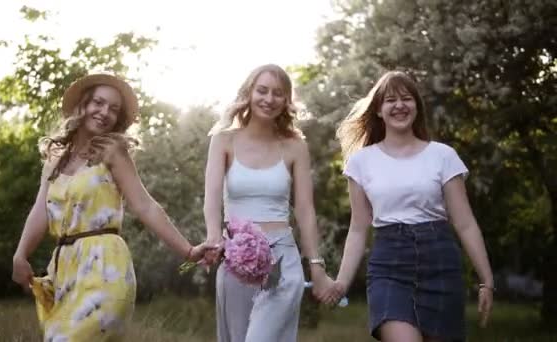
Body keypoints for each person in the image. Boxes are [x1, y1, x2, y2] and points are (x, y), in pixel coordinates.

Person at [11, 73, 211, 340]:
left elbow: (145, 206)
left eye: (113, 109)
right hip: (64, 271)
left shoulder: (112, 151)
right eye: (98, 102)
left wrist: (188, 250)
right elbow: (40, 211)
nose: (105, 112)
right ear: (82, 105)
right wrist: (20, 254)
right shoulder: (55, 159)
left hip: (106, 267)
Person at [329, 71, 494, 341]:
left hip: (440, 260)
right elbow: (358, 229)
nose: (399, 105)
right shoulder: (361, 162)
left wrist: (486, 279)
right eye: (390, 100)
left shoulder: (443, 156)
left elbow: (464, 223)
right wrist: (342, 282)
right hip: (389, 266)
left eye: (407, 98)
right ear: (379, 111)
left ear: (417, 106)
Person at [203, 64, 337, 342]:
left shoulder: (295, 146)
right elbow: (212, 198)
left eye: (278, 93)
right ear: (249, 93)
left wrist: (317, 266)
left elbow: (305, 209)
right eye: (262, 90)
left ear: (286, 100)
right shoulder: (223, 140)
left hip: (283, 259)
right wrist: (215, 238)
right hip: (236, 258)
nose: (269, 99)